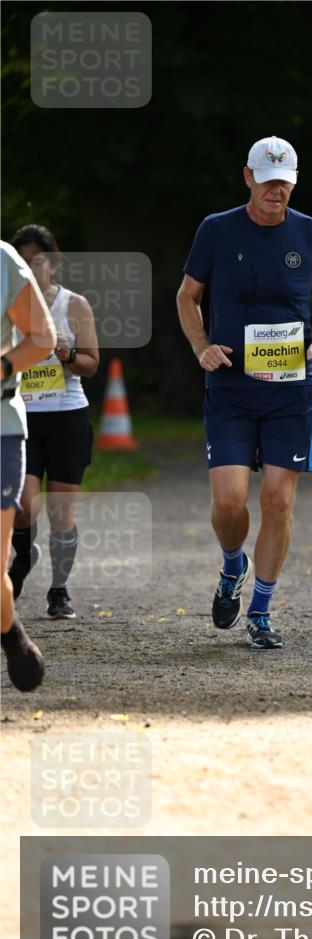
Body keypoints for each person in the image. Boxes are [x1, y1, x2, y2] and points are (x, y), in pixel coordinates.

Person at [176, 136, 312, 651]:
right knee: (229, 503)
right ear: (248, 177)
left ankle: (261, 611)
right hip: (230, 385)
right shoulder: (216, 229)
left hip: (290, 390)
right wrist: (201, 346)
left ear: (294, 182)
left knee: (277, 499)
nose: (276, 191)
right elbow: (187, 297)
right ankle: (233, 566)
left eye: (284, 183)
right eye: (268, 181)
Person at [8, 225, 100, 619]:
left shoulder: (73, 305)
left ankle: (59, 591)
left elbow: (92, 365)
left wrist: (68, 354)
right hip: (22, 417)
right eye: (22, 262)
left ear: (54, 263)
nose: (30, 268)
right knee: (23, 507)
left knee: (62, 514)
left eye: (37, 262)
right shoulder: (6, 306)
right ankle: (24, 553)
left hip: (67, 417)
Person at [1, 240, 57, 690]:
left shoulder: (3, 260)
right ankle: (11, 629)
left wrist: (4, 366)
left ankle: (10, 632)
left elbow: (42, 338)